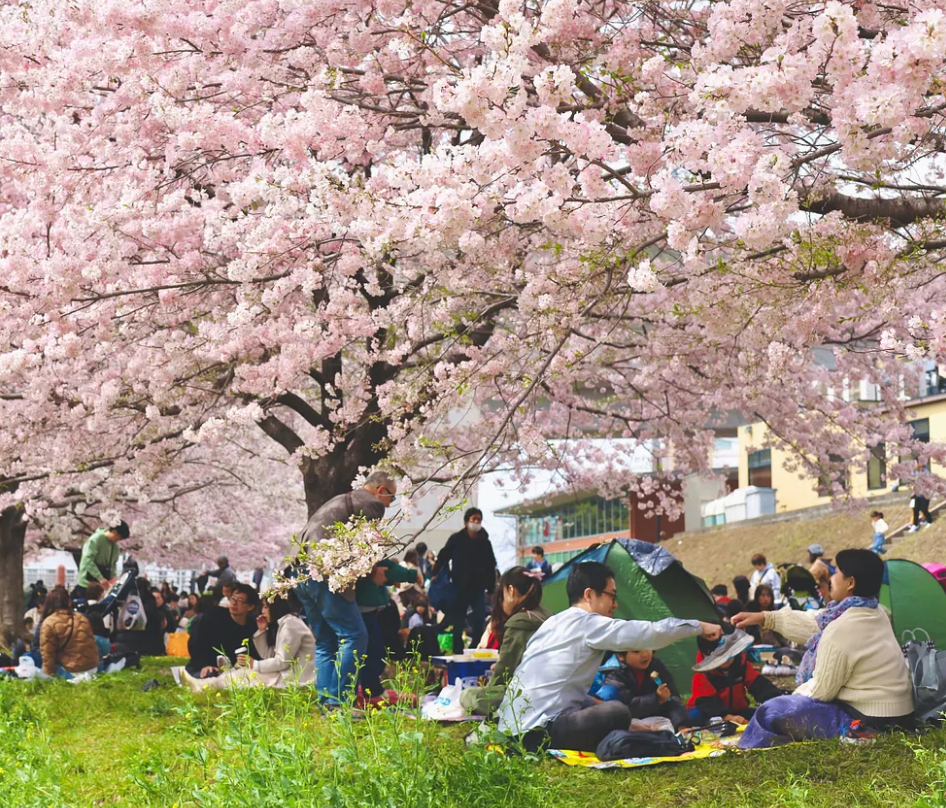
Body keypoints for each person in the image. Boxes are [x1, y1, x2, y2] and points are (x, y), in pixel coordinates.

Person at [496, 561, 721, 752]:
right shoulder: (588, 623)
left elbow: (562, 689)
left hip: (509, 729)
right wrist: (699, 626)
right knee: (616, 711)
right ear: (589, 595)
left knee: (611, 709)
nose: (615, 605)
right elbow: (651, 633)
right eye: (611, 596)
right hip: (537, 734)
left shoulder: (552, 623)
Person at [733, 549, 915, 748]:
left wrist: (794, 695)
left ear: (851, 583)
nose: (831, 579)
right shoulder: (875, 611)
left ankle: (750, 742)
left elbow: (822, 691)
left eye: (836, 573)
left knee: (772, 710)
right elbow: (815, 624)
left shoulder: (841, 628)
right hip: (901, 714)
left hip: (870, 720)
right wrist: (766, 618)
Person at [293, 470, 398, 705]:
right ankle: (338, 702)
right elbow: (366, 549)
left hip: (299, 570)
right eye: (391, 498)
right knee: (355, 635)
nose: (390, 505)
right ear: (381, 491)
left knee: (326, 641)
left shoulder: (340, 499)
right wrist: (374, 570)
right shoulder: (372, 504)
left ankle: (328, 702)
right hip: (324, 571)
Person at [460, 566, 552, 716]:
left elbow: (503, 675)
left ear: (511, 590)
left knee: (469, 695)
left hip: (531, 695)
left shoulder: (520, 621)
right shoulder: (547, 614)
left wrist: (489, 687)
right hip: (551, 689)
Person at [188, 594, 315, 691]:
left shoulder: (290, 624)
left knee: (248, 674)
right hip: (286, 673)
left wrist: (255, 664)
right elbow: (269, 656)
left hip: (294, 677)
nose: (263, 611)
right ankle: (210, 682)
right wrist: (262, 631)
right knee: (245, 673)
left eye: (266, 607)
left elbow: (282, 662)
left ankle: (205, 685)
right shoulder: (285, 623)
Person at [432, 507, 497, 653]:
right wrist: (435, 572)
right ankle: (457, 650)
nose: (476, 522)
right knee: (458, 620)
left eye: (479, 520)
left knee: (480, 618)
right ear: (467, 521)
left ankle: (475, 647)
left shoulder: (485, 542)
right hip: (459, 586)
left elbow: (491, 565)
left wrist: (491, 588)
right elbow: (444, 556)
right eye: (473, 519)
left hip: (478, 587)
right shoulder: (456, 539)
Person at [355, 556, 421, 698]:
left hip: (367, 608)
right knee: (373, 650)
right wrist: (412, 575)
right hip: (365, 609)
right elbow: (389, 569)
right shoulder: (366, 555)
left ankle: (368, 688)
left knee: (372, 650)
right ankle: (371, 690)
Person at [687, 638, 782, 726]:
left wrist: (777, 702)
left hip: (738, 711)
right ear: (705, 655)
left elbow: (760, 686)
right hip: (708, 713)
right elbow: (707, 703)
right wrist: (726, 717)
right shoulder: (702, 673)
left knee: (762, 715)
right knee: (694, 716)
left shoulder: (741, 664)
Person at [595, 648, 691, 730]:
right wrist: (657, 699)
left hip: (653, 721)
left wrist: (681, 726)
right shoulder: (614, 673)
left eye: (647, 647)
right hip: (624, 726)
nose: (645, 654)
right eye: (636, 651)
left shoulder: (655, 665)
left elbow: (672, 697)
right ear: (620, 655)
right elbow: (628, 707)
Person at [183, 583, 259, 684]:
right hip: (207, 666)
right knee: (210, 677)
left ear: (250, 607)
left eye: (240, 601)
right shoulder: (213, 616)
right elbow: (196, 643)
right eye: (233, 599)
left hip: (236, 670)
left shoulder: (252, 625)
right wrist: (205, 664)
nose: (234, 603)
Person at [38, 586, 100, 679]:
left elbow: (48, 656)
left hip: (72, 671)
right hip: (92, 668)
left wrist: (47, 677)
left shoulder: (49, 622)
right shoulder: (82, 617)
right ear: (69, 602)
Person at [113, 580, 167, 657]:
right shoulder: (148, 600)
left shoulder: (126, 599)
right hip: (145, 642)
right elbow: (154, 622)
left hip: (124, 639)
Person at [76, 520, 129, 597]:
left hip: (102, 586)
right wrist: (100, 578)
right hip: (87, 584)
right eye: (119, 537)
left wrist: (113, 580)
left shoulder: (115, 547)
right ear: (114, 532)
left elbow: (113, 565)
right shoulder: (95, 539)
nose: (118, 540)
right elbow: (88, 560)